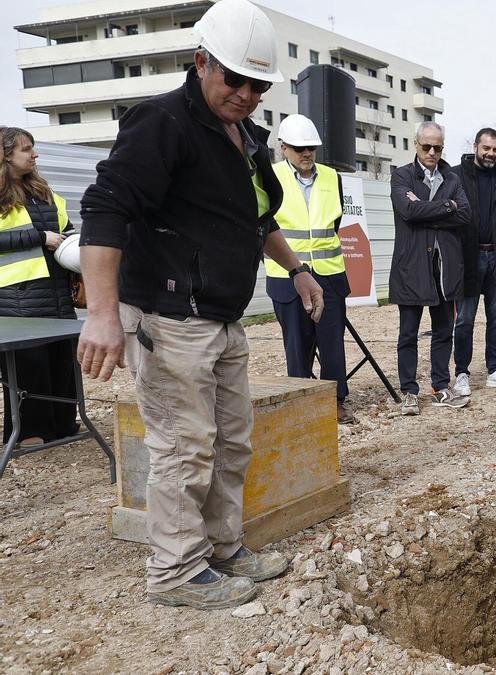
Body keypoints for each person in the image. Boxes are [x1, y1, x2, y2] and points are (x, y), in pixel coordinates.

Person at [77, 0, 320, 609]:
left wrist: (299, 269)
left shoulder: (246, 138)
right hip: (167, 317)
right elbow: (106, 210)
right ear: (200, 63)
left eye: (257, 85)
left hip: (221, 316)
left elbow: (256, 217)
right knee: (183, 446)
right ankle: (175, 572)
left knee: (232, 441)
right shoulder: (162, 124)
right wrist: (104, 314)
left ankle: (220, 546)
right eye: (233, 80)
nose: (245, 94)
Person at [267, 114, 354, 424]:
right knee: (297, 345)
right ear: (283, 148)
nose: (306, 154)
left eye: (311, 148)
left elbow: (335, 224)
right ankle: (301, 400)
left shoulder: (332, 177)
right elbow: (266, 226)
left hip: (329, 275)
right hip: (287, 277)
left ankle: (335, 401)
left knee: (332, 343)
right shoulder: (270, 176)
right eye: (299, 148)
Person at [0, 127, 79, 448]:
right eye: (26, 149)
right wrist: (38, 237)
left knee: (62, 362)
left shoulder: (44, 192)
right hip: (16, 298)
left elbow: (66, 228)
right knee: (28, 367)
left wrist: (75, 244)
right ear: (6, 155)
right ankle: (29, 434)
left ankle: (62, 426)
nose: (34, 154)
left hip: (57, 292)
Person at [390, 121, 472, 415]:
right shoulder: (401, 176)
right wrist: (446, 206)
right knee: (408, 333)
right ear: (416, 145)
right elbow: (407, 211)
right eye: (427, 146)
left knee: (443, 331)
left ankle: (440, 386)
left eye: (438, 147)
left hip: (445, 270)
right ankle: (409, 392)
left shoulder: (452, 177)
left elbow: (464, 214)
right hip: (411, 268)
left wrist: (430, 210)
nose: (432, 152)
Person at [451, 128, 496, 394]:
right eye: (486, 148)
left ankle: (495, 370)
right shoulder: (456, 175)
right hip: (467, 258)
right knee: (465, 320)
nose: (491, 154)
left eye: (495, 149)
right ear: (476, 147)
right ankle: (461, 374)